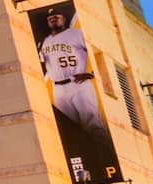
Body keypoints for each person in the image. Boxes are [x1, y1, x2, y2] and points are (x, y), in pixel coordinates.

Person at [38, 6, 109, 147]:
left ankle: (104, 152)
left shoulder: (77, 34)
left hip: (78, 84)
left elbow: (98, 51)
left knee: (92, 123)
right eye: (50, 19)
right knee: (68, 128)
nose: (53, 21)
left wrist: (93, 73)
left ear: (63, 19)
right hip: (57, 88)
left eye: (56, 18)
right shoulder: (45, 42)